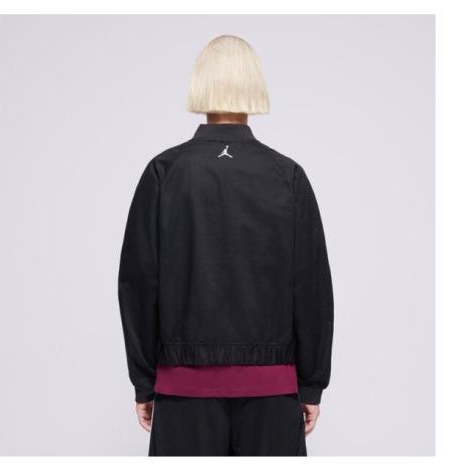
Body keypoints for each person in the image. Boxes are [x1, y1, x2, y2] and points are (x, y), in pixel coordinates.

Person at [118, 34, 334, 457]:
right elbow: (310, 288)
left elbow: (139, 284)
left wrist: (144, 381)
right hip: (272, 394)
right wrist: (311, 383)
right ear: (255, 84)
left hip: (183, 392)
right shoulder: (287, 176)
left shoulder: (164, 173)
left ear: (199, 84)